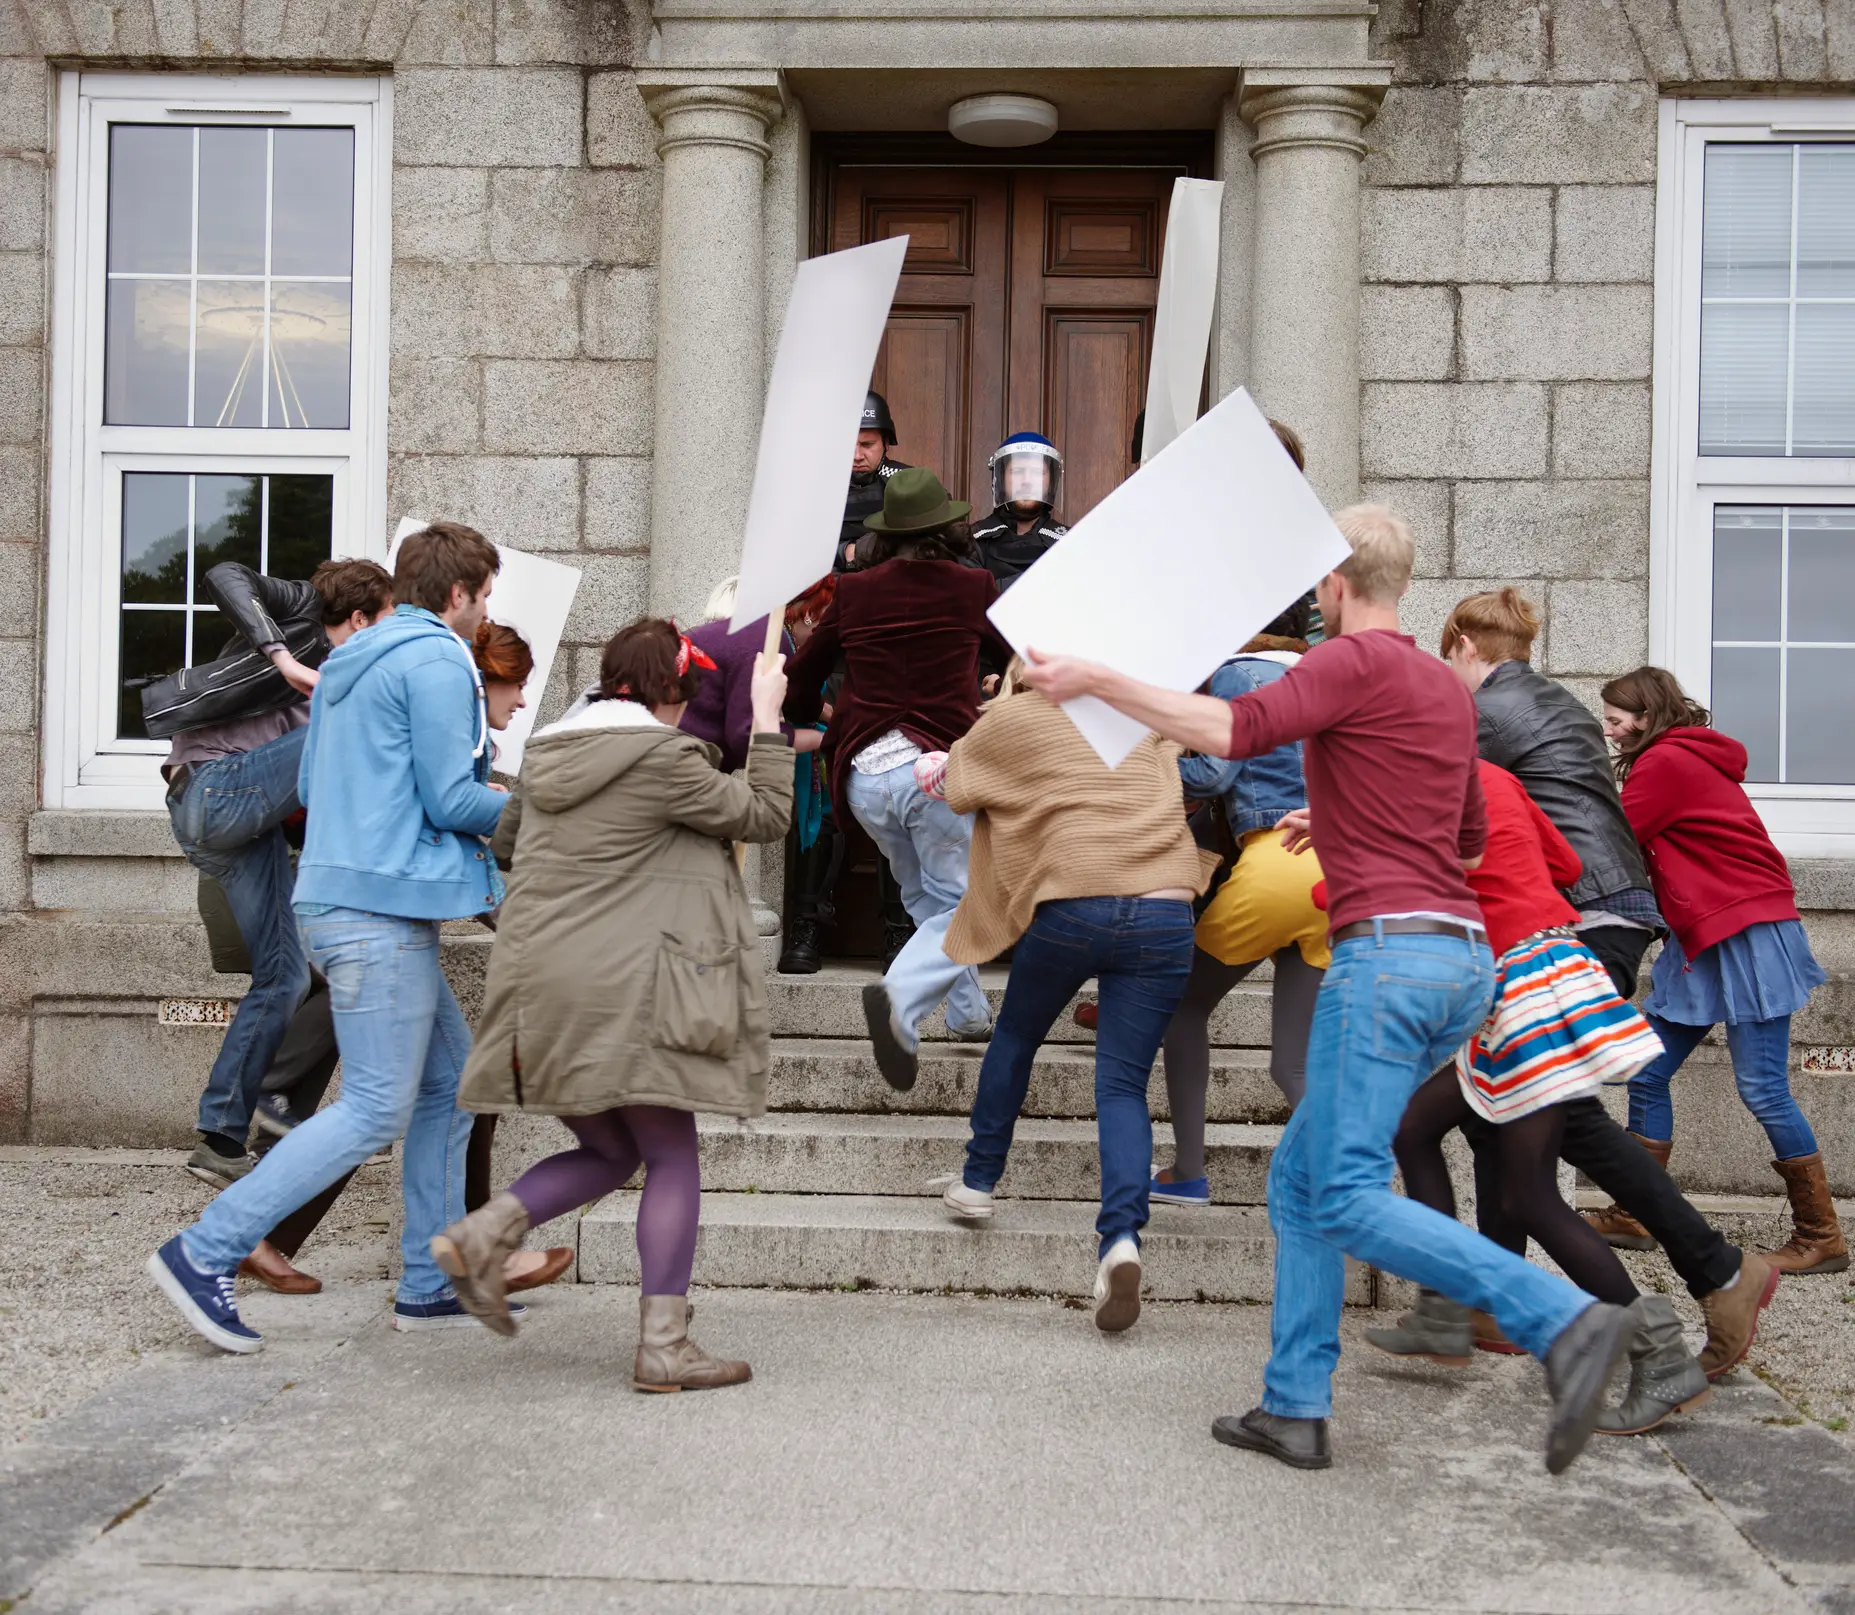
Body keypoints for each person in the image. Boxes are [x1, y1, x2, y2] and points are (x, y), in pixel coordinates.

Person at [1020, 504, 1632, 1476]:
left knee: (1342, 1195)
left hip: (1385, 959)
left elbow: (1228, 725)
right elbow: (1466, 841)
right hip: (1459, 960)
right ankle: (1294, 1405)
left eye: (1316, 581)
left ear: (1335, 585)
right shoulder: (1440, 685)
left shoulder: (1343, 660)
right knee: (1298, 1183)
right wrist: (1340, 825)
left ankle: (1561, 1320)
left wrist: (1097, 677)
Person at [147, 522, 514, 1352]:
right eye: (485, 593)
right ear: (456, 594)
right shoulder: (433, 659)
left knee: (448, 1088)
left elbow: (310, 780)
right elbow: (453, 798)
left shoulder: (351, 658)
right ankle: (205, 1248)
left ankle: (429, 1283)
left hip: (348, 898)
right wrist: (547, 803)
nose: (487, 608)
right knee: (380, 1104)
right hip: (375, 912)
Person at [433, 619, 794, 1391]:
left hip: (544, 988)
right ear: (671, 691)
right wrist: (767, 719)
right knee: (669, 1155)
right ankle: (663, 1347)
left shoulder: (548, 755)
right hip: (628, 992)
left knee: (611, 1150)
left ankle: (478, 1236)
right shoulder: (664, 759)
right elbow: (762, 814)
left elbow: (506, 841)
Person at [1434, 591, 1780, 1374]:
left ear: (1460, 643)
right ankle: (1503, 1300)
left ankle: (1719, 1268)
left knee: (1564, 1116)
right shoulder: (1548, 699)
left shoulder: (1489, 711)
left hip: (1574, 921)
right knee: (1501, 1111)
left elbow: (1424, 793)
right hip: (1598, 912)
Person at [1369, 759, 1709, 1436]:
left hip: (1520, 988)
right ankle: (1441, 1305)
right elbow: (1562, 858)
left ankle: (1659, 1353)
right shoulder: (1488, 772)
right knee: (1413, 1126)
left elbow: (1359, 899)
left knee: (1527, 1195)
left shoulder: (1415, 789)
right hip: (1547, 967)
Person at [922, 663, 1214, 1329]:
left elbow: (955, 783)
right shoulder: (1139, 704)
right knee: (1121, 1085)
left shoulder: (1016, 715)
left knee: (1017, 1035)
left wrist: (956, 746)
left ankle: (976, 1182)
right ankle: (1119, 1240)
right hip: (1166, 910)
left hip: (1073, 902)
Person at [146, 557, 393, 1190]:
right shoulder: (303, 614)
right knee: (360, 720)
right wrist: (283, 659)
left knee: (286, 980)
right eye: (381, 627)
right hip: (212, 790)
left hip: (241, 828)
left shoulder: (331, 692)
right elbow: (226, 573)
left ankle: (225, 1140)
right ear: (359, 618)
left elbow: (312, 795)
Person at [1602, 667, 1848, 1276]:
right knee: (1648, 1070)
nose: (1607, 731)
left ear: (1644, 717)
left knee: (1762, 1087)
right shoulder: (1672, 758)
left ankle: (1821, 1236)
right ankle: (1638, 1214)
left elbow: (1612, 836)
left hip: (1746, 932)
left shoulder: (1667, 763)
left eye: (1614, 720)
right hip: (1706, 934)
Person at [784, 468, 1014, 1092]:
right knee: (970, 903)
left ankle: (968, 1016)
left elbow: (804, 674)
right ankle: (899, 999)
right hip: (935, 771)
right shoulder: (974, 587)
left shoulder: (854, 593)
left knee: (929, 897)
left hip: (864, 776)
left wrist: (806, 715)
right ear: (947, 527)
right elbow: (1019, 649)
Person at [1153, 594, 1327, 1209]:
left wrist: (1148, 763)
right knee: (1293, 1065)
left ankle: (1189, 1171)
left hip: (1275, 861)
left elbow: (1216, 776)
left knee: (1182, 1007)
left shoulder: (1236, 673)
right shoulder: (1320, 675)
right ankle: (1347, 1184)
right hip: (1333, 876)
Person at [460, 620, 575, 1297]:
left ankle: (460, 1260)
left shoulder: (476, 740)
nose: (524, 700)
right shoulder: (458, 738)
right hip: (381, 917)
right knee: (412, 1100)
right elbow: (449, 814)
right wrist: (501, 805)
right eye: (516, 683)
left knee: (452, 1096)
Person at [971, 432, 1066, 592]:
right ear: (1000, 478)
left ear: (1051, 482)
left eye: (1037, 472)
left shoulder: (1069, 543)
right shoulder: (972, 542)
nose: (1027, 480)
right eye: (1017, 471)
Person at [839, 390, 910, 571]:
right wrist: (844, 552)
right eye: (848, 444)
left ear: (886, 443)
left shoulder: (909, 483)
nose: (857, 456)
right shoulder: (817, 488)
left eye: (867, 445)